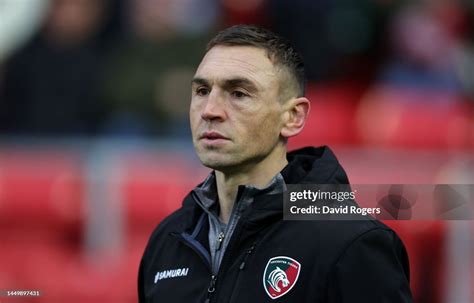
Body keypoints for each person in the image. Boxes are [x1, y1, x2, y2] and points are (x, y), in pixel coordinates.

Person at [138, 25, 412, 303]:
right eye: (202, 90)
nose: (210, 110)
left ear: (293, 116)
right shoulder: (169, 239)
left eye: (239, 93)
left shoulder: (350, 242)